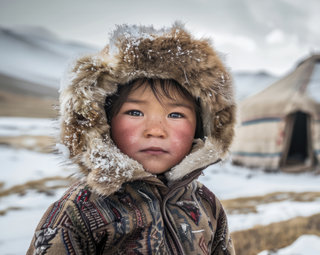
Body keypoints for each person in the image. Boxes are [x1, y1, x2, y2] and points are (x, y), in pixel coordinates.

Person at [27, 23, 236, 255]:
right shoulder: (77, 212)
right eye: (135, 112)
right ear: (102, 121)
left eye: (175, 115)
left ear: (202, 126)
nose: (155, 130)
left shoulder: (206, 204)